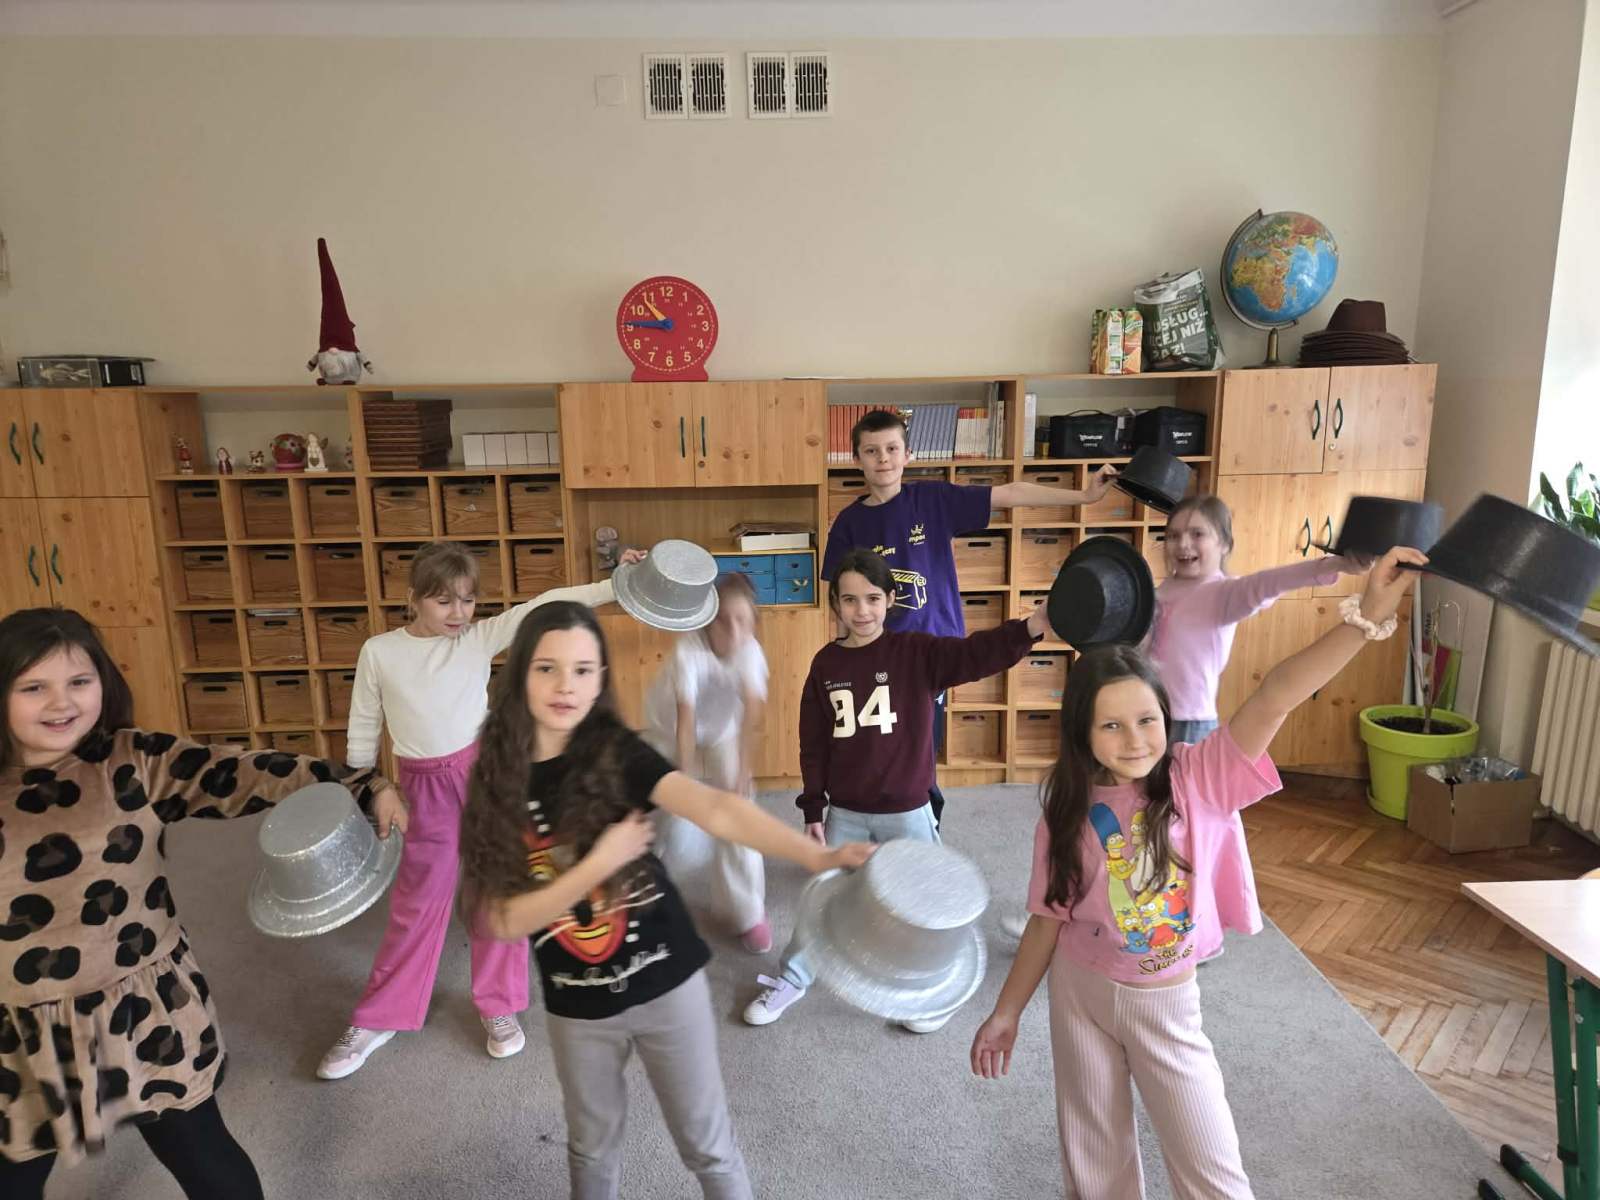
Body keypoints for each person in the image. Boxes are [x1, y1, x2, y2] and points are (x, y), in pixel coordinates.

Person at [969, 547, 1423, 1199]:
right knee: (1095, 1166)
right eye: (1112, 725)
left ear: (1167, 717)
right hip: (1080, 992)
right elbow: (1047, 917)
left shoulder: (1198, 776)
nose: (1135, 739)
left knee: (1213, 1173)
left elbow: (1276, 693)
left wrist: (1366, 616)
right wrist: (1006, 1012)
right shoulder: (1065, 810)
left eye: (1147, 720)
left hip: (1165, 1001)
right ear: (1082, 734)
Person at [457, 601, 872, 1200]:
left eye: (582, 670)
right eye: (548, 668)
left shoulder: (615, 751)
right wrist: (598, 864)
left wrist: (814, 856)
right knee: (591, 1150)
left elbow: (717, 808)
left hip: (667, 982)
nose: (566, 686)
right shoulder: (497, 778)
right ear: (520, 672)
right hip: (577, 1005)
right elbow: (500, 920)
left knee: (709, 1146)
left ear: (600, 679)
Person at [0, 606, 398, 1199]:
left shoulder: (132, 761)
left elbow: (245, 772)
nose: (62, 702)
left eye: (79, 681)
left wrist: (361, 784)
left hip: (143, 1009)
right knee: (13, 1175)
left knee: (203, 1156)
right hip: (22, 1026)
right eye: (34, 687)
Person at [316, 540, 644, 1081]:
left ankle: (498, 1004)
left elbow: (547, 604)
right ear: (413, 598)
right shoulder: (380, 651)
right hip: (422, 788)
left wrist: (616, 585)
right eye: (443, 600)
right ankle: (378, 1017)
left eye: (467, 600)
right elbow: (362, 730)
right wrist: (369, 788)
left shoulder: (477, 639)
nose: (458, 613)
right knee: (418, 902)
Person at [742, 548, 1055, 1033]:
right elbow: (813, 743)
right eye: (849, 600)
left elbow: (974, 654)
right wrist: (812, 809)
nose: (861, 610)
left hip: (909, 811)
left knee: (927, 905)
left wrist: (1031, 626)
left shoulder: (917, 652)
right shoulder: (825, 663)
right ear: (835, 604)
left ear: (890, 599)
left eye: (872, 598)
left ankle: (930, 991)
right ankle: (793, 978)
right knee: (823, 898)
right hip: (847, 812)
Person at [824, 408, 1116, 826]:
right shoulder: (849, 523)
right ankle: (879, 824)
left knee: (919, 751)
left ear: (908, 454)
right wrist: (843, 655)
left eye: (891, 448)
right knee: (878, 749)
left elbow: (1009, 493)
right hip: (874, 656)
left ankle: (926, 824)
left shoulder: (933, 500)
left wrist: (1084, 497)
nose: (883, 458)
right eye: (871, 451)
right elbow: (839, 600)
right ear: (857, 459)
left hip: (932, 657)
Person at [1137, 494, 1368, 960]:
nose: (1183, 544)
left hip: (1190, 728)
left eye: (1197, 534)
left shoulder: (1223, 594)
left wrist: (1335, 565)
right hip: (1147, 721)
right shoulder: (1159, 593)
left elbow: (1269, 582)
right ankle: (1149, 907)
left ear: (1224, 543)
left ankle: (1199, 925)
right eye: (1173, 535)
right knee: (1145, 821)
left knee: (1195, 831)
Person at [642, 572, 773, 953]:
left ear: (753, 625)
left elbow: (751, 718)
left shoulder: (750, 653)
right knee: (657, 812)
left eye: (742, 622)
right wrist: (683, 784)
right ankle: (644, 898)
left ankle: (747, 912)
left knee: (740, 810)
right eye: (722, 621)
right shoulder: (689, 649)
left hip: (721, 734)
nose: (733, 632)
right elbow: (685, 721)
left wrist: (742, 774)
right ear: (705, 622)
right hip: (668, 732)